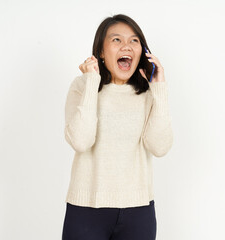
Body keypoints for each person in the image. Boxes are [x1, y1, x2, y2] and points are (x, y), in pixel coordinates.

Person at [62, 14, 173, 240]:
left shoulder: (148, 93)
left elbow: (159, 147)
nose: (127, 46)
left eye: (134, 41)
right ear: (101, 52)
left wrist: (159, 89)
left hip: (138, 211)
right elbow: (81, 141)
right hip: (86, 209)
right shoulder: (82, 87)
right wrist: (92, 83)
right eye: (116, 40)